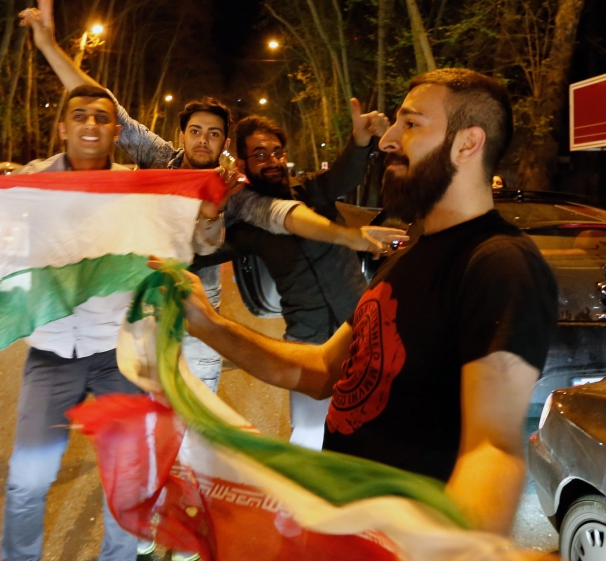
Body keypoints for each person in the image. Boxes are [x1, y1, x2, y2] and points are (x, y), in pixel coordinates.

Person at [158, 68, 558, 536]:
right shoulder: (407, 257)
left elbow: (492, 449)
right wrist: (207, 323)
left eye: (409, 124)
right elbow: (321, 370)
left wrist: (449, 548)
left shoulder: (497, 262)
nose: (389, 139)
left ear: (467, 144)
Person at [20, 0, 401, 402]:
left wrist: (349, 237)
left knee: (201, 404)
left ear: (224, 143)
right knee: (146, 401)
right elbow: (104, 106)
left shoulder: (231, 188)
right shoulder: (159, 159)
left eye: (214, 133)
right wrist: (48, 45)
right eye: (196, 130)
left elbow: (283, 214)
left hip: (197, 298)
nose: (203, 139)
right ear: (182, 135)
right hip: (144, 292)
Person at [226, 112, 391, 451]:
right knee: (309, 438)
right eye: (260, 153)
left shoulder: (312, 190)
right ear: (242, 162)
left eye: (277, 152)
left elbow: (344, 175)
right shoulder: (247, 223)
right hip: (307, 342)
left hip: (360, 331)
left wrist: (360, 140)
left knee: (373, 428)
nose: (272, 161)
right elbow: (204, 245)